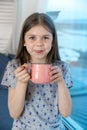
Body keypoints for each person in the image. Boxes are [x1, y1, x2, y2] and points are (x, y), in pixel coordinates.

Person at [1, 12, 73, 130]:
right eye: (32, 37)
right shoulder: (14, 67)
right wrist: (22, 83)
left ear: (52, 41)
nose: (39, 43)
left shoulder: (62, 68)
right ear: (24, 40)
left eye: (45, 37)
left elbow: (66, 113)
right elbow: (14, 113)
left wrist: (60, 82)